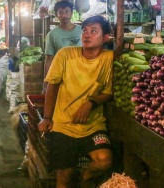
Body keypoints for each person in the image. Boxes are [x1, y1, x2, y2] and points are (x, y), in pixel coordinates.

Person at [38, 15, 113, 188]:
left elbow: (108, 93)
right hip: (63, 125)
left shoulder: (109, 59)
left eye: (93, 31)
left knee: (104, 161)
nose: (87, 35)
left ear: (105, 37)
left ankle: (85, 176)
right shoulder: (65, 54)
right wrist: (47, 117)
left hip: (93, 126)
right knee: (64, 177)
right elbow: (52, 86)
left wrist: (90, 104)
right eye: (85, 30)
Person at [43, 0, 82, 93]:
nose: (64, 15)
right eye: (60, 12)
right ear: (56, 15)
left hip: (80, 74)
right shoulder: (52, 35)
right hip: (60, 77)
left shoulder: (82, 31)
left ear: (71, 13)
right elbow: (49, 59)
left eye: (67, 11)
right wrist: (46, 81)